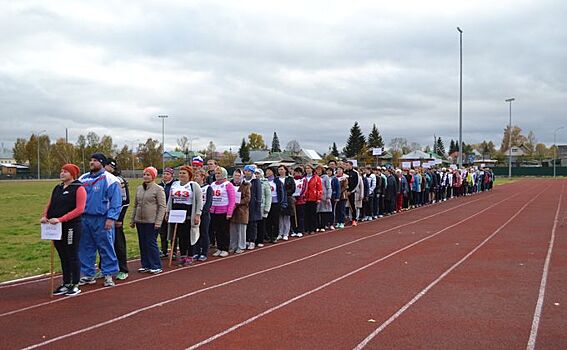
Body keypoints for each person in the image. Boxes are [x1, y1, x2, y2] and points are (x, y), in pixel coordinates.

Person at [41, 164, 86, 296]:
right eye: (61, 171)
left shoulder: (79, 188)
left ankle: (75, 283)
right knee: (63, 255)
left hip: (71, 226)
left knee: (72, 254)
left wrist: (62, 219)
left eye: (65, 171)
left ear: (72, 174)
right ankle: (66, 282)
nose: (62, 173)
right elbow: (50, 204)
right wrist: (45, 216)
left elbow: (80, 209)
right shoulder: (58, 188)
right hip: (56, 227)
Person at [78, 152, 122, 287]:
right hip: (85, 218)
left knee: (106, 246)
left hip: (102, 218)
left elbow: (116, 202)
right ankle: (88, 274)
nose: (92, 163)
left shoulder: (110, 179)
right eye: (91, 160)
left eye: (95, 160)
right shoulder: (82, 179)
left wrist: (111, 218)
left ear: (102, 163)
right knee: (85, 247)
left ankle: (108, 274)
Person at [130, 167, 166, 273]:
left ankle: (156, 265)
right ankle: (145, 264)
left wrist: (158, 221)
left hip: (152, 221)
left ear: (153, 176)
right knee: (142, 243)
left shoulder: (158, 189)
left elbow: (162, 206)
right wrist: (133, 219)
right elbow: (136, 205)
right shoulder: (139, 188)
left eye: (148, 175)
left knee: (151, 243)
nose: (146, 176)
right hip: (140, 221)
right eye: (144, 174)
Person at [167, 165, 202, 266]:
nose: (181, 175)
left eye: (184, 173)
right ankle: (182, 255)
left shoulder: (194, 186)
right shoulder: (175, 184)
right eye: (180, 173)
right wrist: (168, 211)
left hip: (188, 214)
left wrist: (197, 214)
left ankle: (190, 256)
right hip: (176, 214)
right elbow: (170, 199)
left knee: (189, 236)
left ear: (189, 175)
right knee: (179, 236)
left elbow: (199, 201)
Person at [102, 158, 130, 280]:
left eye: (108, 166)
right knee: (103, 244)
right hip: (101, 217)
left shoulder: (118, 180)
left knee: (118, 243)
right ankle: (105, 268)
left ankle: (123, 268)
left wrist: (120, 218)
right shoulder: (99, 179)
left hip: (115, 218)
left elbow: (125, 201)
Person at [210, 167, 236, 257]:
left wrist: (230, 212)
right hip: (214, 211)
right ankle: (219, 247)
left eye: (219, 173)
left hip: (224, 211)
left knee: (224, 231)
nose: (217, 175)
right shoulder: (212, 184)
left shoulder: (228, 185)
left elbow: (232, 200)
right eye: (216, 173)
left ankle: (225, 248)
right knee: (217, 231)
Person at [229, 169, 250, 254]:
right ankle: (233, 245)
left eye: (238, 175)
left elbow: (248, 198)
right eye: (235, 175)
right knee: (233, 229)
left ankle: (241, 246)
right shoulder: (229, 184)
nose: (237, 177)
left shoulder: (246, 185)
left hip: (242, 210)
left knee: (241, 229)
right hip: (232, 210)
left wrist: (238, 203)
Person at [193, 169, 212, 261]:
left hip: (204, 214)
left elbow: (208, 202)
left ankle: (204, 252)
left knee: (204, 233)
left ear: (203, 177)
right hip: (194, 213)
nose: (195, 177)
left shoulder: (208, 187)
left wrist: (202, 212)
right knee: (195, 232)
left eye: (197, 176)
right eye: (195, 175)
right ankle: (196, 251)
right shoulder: (193, 187)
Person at [265, 167, 286, 243]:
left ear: (273, 172)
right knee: (268, 220)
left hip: (275, 203)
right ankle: (269, 235)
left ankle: (275, 236)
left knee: (275, 220)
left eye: (269, 171)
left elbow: (282, 192)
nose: (267, 172)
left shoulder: (277, 181)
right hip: (267, 203)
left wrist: (282, 203)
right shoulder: (265, 181)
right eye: (266, 171)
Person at [243, 165, 262, 250]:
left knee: (252, 224)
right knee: (245, 222)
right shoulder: (242, 180)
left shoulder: (256, 181)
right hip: (244, 205)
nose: (247, 172)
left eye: (249, 171)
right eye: (246, 171)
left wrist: (258, 204)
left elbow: (259, 194)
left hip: (253, 205)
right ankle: (246, 239)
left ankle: (252, 241)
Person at [159, 167, 176, 258]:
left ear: (172, 176)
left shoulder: (175, 185)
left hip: (172, 211)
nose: (165, 176)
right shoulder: (159, 185)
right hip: (161, 211)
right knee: (162, 232)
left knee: (172, 231)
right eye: (164, 174)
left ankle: (173, 251)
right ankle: (164, 250)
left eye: (167, 174)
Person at [277, 165, 295, 240]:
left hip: (288, 199)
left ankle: (286, 233)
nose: (280, 171)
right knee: (280, 217)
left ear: (285, 170)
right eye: (279, 169)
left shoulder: (290, 179)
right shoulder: (276, 179)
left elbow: (293, 188)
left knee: (287, 217)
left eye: (282, 169)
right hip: (279, 200)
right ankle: (280, 233)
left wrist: (284, 193)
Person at [255, 168, 272, 247]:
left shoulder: (265, 183)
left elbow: (268, 196)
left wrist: (267, 208)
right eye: (255, 173)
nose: (256, 175)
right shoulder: (252, 182)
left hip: (262, 207)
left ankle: (260, 240)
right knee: (254, 224)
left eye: (258, 173)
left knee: (261, 224)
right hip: (254, 207)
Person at [304, 164, 322, 234]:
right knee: (306, 214)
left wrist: (318, 198)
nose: (307, 169)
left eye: (309, 168)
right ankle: (307, 228)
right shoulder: (304, 178)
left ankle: (313, 228)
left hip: (313, 198)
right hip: (305, 198)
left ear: (312, 169)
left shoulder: (316, 178)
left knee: (313, 214)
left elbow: (319, 188)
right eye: (306, 168)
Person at [291, 167, 307, 237]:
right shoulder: (292, 179)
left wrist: (299, 197)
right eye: (296, 172)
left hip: (300, 200)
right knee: (293, 216)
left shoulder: (304, 179)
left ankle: (300, 230)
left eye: (299, 172)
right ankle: (295, 230)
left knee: (300, 216)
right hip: (293, 199)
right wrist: (292, 197)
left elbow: (304, 189)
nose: (297, 174)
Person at [316, 165, 332, 231]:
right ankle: (317, 225)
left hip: (324, 196)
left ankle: (323, 225)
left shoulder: (325, 177)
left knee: (323, 212)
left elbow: (328, 187)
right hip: (316, 196)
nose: (318, 171)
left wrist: (328, 197)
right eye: (317, 170)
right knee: (316, 212)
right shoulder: (315, 177)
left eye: (319, 170)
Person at [345, 161, 360, 226]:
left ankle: (354, 219)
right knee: (344, 206)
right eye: (346, 165)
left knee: (352, 206)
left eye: (347, 165)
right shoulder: (344, 173)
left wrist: (351, 191)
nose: (346, 166)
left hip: (351, 192)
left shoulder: (355, 173)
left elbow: (356, 183)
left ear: (351, 165)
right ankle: (346, 218)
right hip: (344, 192)